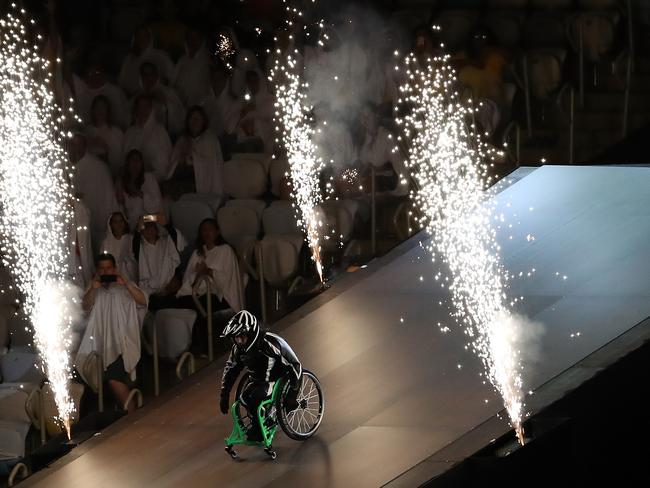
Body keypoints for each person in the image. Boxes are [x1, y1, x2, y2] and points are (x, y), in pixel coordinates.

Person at [75, 253, 147, 413]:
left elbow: (143, 301)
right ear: (98, 271)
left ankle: (132, 416)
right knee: (82, 376)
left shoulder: (126, 286)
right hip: (99, 346)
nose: (106, 272)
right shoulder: (94, 288)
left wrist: (126, 284)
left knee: (114, 379)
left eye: (109, 268)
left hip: (122, 344)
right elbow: (84, 308)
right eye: (102, 269)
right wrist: (93, 289)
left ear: (114, 269)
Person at [219, 310, 302, 441]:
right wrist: (224, 394)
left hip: (275, 378)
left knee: (256, 398)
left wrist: (292, 395)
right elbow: (231, 370)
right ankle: (262, 421)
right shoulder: (238, 348)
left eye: (242, 337)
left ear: (251, 334)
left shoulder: (269, 343)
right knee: (245, 398)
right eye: (236, 338)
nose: (239, 341)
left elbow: (295, 365)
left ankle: (259, 427)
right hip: (256, 380)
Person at [176, 218, 244, 351]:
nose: (206, 233)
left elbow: (227, 278)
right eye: (204, 230)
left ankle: (204, 348)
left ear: (217, 232)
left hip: (221, 296)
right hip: (199, 293)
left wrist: (208, 271)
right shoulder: (198, 253)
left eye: (210, 230)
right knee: (183, 302)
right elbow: (189, 277)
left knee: (202, 306)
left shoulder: (225, 250)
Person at [69, 132, 119, 249]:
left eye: (79, 144)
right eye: (72, 144)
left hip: (97, 229)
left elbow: (108, 200)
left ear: (85, 146)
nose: (75, 148)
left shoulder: (99, 168)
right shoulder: (65, 166)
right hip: (74, 229)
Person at [167, 106, 225, 198]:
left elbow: (211, 166)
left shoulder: (210, 140)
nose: (195, 122)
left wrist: (192, 156)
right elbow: (173, 165)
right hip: (181, 181)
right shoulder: (182, 140)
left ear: (203, 122)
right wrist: (182, 157)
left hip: (200, 184)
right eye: (192, 118)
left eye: (198, 119)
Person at [123, 94, 173, 182]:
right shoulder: (130, 132)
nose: (142, 109)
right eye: (140, 106)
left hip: (153, 181)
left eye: (146, 106)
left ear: (151, 108)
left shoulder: (159, 131)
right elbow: (124, 159)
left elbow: (163, 166)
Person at [118, 25, 174, 97]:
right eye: (139, 35)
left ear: (150, 38)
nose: (142, 39)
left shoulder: (162, 56)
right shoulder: (128, 59)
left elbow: (171, 77)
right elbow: (121, 81)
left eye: (145, 35)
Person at [115, 149, 163, 230]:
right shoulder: (123, 182)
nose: (135, 163)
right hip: (133, 225)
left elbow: (157, 207)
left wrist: (138, 193)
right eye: (133, 161)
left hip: (153, 220)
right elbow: (121, 208)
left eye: (138, 160)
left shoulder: (149, 178)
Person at [85, 95, 125, 176]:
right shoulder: (87, 131)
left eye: (103, 107)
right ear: (93, 110)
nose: (100, 110)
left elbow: (119, 159)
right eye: (97, 107)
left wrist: (106, 148)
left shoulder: (116, 132)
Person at [99, 211, 136, 283]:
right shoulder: (106, 242)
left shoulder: (131, 239)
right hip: (111, 280)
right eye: (115, 222)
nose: (119, 224)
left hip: (129, 279)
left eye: (121, 221)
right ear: (111, 224)